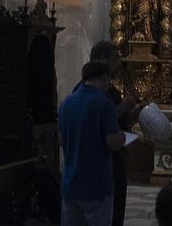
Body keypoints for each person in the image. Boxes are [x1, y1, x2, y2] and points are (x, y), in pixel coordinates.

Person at [58, 60, 126, 226]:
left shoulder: (67, 103)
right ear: (104, 77)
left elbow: (61, 140)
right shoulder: (104, 104)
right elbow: (113, 143)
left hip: (71, 183)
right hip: (96, 185)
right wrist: (122, 136)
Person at [76, 41, 137, 225]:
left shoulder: (73, 99)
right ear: (102, 61)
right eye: (115, 59)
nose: (118, 63)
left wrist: (133, 112)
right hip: (99, 170)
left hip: (84, 174)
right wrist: (123, 107)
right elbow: (108, 134)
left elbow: (118, 121)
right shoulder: (98, 99)